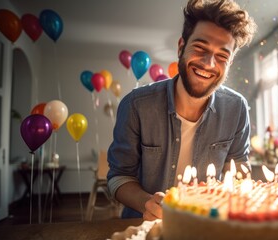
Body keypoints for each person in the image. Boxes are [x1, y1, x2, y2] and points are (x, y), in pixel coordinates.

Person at [107, 0, 257, 220]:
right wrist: (147, 203)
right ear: (181, 47)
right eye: (200, 48)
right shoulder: (136, 105)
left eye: (222, 56)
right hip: (143, 227)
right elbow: (118, 177)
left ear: (230, 63)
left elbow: (239, 171)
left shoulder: (237, 108)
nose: (208, 63)